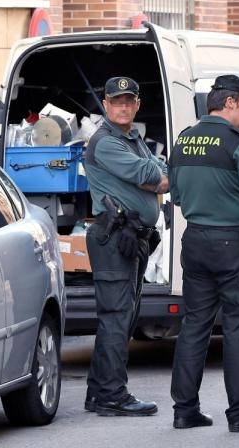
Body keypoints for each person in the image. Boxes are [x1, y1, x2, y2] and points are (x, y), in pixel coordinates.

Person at [168, 74, 239, 433]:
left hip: (196, 241)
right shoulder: (238, 142)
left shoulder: (184, 140)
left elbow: (176, 195)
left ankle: (185, 410)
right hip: (233, 244)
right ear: (231, 102)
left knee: (195, 326)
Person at [83, 76, 169, 416]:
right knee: (117, 318)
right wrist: (156, 178)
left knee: (123, 317)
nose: (123, 106)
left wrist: (157, 176)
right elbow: (155, 177)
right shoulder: (105, 142)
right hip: (114, 237)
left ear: (137, 104)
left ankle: (99, 391)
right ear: (105, 104)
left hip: (133, 237)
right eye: (116, 101)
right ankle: (112, 395)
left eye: (128, 101)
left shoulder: (133, 137)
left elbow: (159, 170)